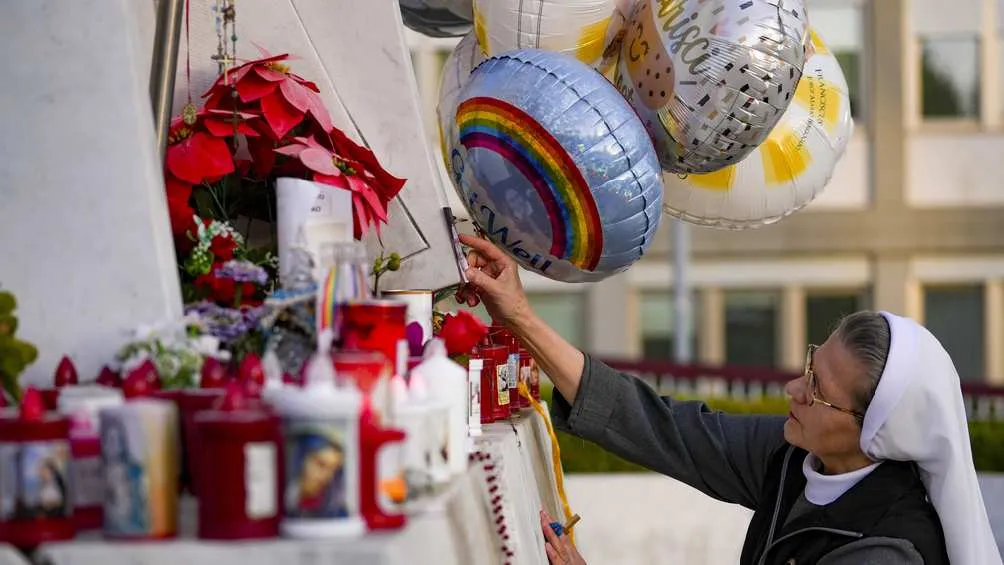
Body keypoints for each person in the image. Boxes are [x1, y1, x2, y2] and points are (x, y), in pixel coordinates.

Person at [456, 233, 1002, 565]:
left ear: (873, 434)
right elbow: (665, 428)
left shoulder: (886, 551)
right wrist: (521, 319)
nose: (793, 389)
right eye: (810, 367)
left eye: (817, 392)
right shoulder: (798, 458)